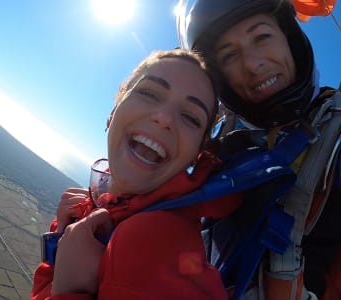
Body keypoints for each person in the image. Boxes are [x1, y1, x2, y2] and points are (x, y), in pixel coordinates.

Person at [30, 48, 243, 300]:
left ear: (196, 155)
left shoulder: (151, 240)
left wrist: (71, 291)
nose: (164, 118)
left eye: (190, 117)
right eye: (149, 93)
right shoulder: (101, 208)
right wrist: (63, 238)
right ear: (113, 112)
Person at [177, 0, 341, 299]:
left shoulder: (336, 146)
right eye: (229, 56)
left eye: (262, 37)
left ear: (289, 38)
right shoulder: (217, 143)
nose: (252, 64)